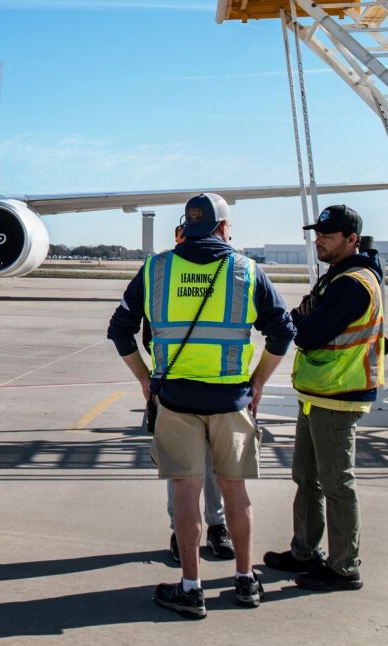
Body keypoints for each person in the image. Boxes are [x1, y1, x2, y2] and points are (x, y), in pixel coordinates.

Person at [109, 193, 295, 618]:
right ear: (223, 228)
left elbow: (120, 329)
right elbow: (283, 331)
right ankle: (245, 580)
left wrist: (144, 379)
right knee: (236, 493)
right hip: (231, 399)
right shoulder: (247, 270)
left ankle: (191, 589)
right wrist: (258, 381)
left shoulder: (156, 269)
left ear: (187, 225)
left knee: (185, 492)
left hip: (176, 400)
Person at [264, 204, 384, 592]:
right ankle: (304, 551)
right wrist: (305, 317)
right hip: (318, 391)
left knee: (336, 483)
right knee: (306, 477)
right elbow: (304, 318)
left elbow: (308, 332)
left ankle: (344, 566)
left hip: (338, 393)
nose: (319, 241)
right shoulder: (337, 276)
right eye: (317, 234)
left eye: (328, 236)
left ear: (351, 240)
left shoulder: (353, 284)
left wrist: (303, 319)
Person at [147, 226, 235, 563]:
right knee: (188, 471)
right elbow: (142, 329)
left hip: (216, 388)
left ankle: (215, 527)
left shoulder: (234, 270)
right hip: (181, 389)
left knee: (202, 469)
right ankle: (189, 533)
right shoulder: (162, 271)